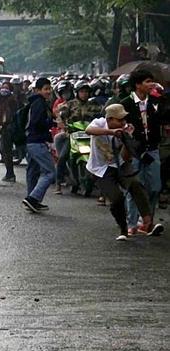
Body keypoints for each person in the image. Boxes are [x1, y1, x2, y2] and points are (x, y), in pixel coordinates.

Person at [85, 104, 164, 240]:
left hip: (120, 164)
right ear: (110, 119)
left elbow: (126, 157)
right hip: (100, 169)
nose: (123, 123)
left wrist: (127, 139)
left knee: (136, 185)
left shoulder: (125, 129)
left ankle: (147, 223)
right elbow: (89, 130)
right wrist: (112, 132)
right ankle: (123, 229)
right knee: (116, 198)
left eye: (123, 120)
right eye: (119, 120)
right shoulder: (99, 122)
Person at [120, 69, 167, 235]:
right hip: (134, 152)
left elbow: (165, 118)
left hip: (152, 150)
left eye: (151, 81)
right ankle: (131, 223)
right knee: (134, 187)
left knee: (155, 187)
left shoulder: (155, 101)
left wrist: (163, 97)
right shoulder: (125, 104)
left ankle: (147, 221)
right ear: (137, 85)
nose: (151, 84)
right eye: (147, 81)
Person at [56, 80, 103, 194]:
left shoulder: (94, 105)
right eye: (82, 91)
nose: (84, 94)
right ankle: (58, 182)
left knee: (102, 156)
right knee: (62, 157)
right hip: (72, 135)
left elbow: (101, 117)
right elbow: (60, 117)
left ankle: (101, 186)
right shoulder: (69, 104)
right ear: (77, 92)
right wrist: (64, 126)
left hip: (89, 136)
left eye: (86, 91)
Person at [22, 78, 56, 213]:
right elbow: (37, 122)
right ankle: (33, 198)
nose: (48, 91)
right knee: (50, 172)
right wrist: (51, 122)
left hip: (31, 141)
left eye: (49, 88)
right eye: (45, 89)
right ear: (38, 90)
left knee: (33, 171)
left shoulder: (36, 102)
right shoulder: (39, 103)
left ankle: (32, 200)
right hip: (36, 142)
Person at [0, 81, 19, 182]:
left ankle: (10, 174)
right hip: (4, 127)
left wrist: (2, 125)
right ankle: (9, 173)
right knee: (5, 150)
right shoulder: (1, 99)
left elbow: (8, 115)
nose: (4, 89)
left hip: (8, 128)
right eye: (3, 87)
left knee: (7, 151)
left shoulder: (11, 100)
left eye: (6, 87)